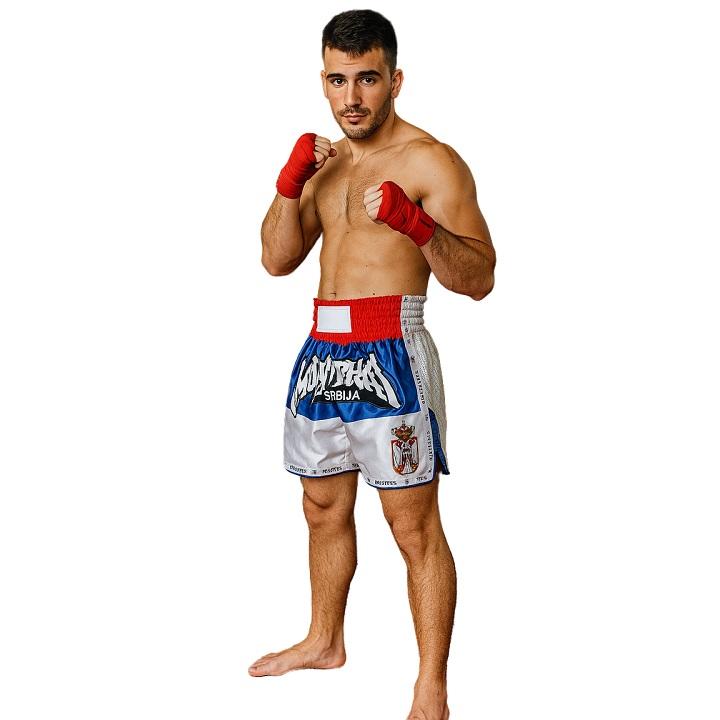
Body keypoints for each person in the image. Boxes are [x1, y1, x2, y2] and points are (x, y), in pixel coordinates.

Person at [249, 9, 495, 720]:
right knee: (321, 507)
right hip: (321, 352)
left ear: (396, 80)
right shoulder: (323, 163)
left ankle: (431, 686)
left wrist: (417, 225)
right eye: (338, 80)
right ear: (323, 80)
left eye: (367, 79)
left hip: (392, 350)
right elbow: (276, 260)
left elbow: (479, 278)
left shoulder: (431, 161)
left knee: (412, 526)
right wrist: (288, 182)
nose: (351, 97)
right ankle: (324, 640)